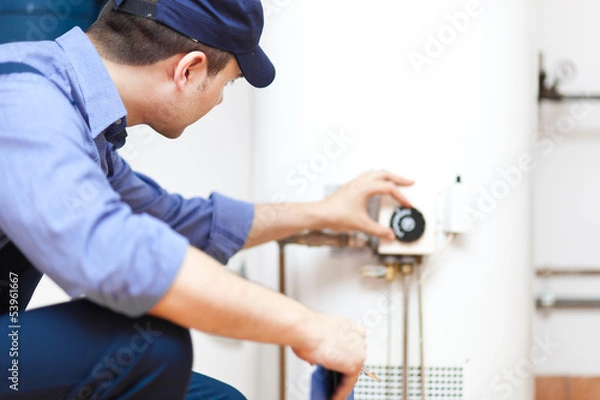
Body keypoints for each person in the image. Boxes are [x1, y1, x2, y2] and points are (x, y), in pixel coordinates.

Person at [0, 0, 413, 398]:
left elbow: (175, 223)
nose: (218, 99)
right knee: (151, 345)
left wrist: (323, 214)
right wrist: (307, 326)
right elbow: (118, 256)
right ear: (189, 69)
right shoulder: (26, 101)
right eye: (227, 83)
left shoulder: (79, 119)